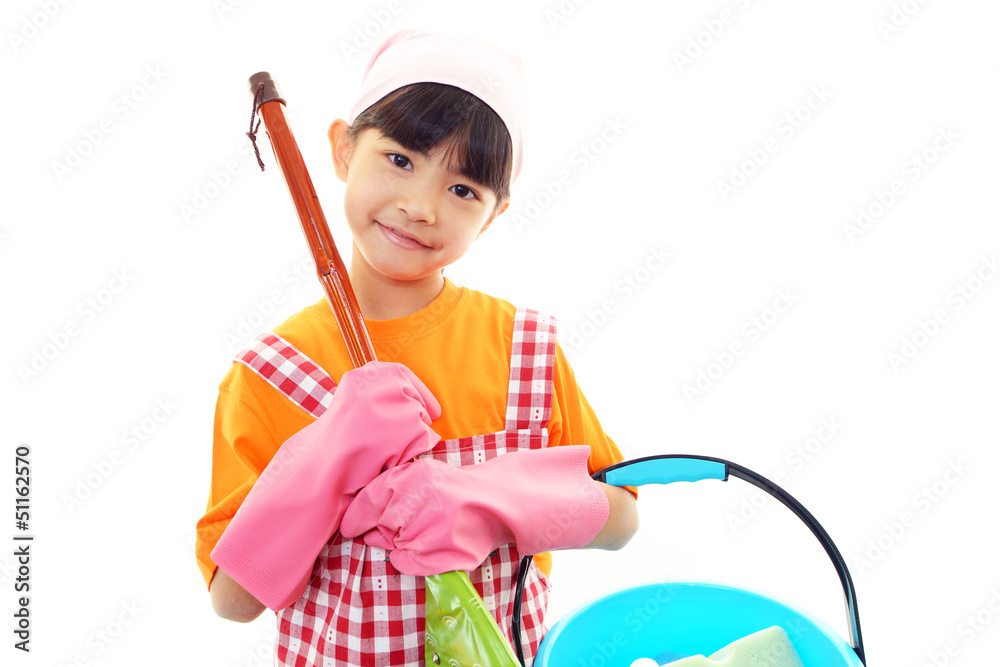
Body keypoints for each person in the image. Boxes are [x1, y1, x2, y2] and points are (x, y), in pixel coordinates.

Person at [195, 29, 639, 666]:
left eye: (463, 190)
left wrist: (494, 502)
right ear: (343, 149)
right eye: (401, 159)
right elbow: (233, 599)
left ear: (495, 213)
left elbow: (622, 517)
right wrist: (325, 457)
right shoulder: (272, 373)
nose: (420, 206)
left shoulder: (523, 348)